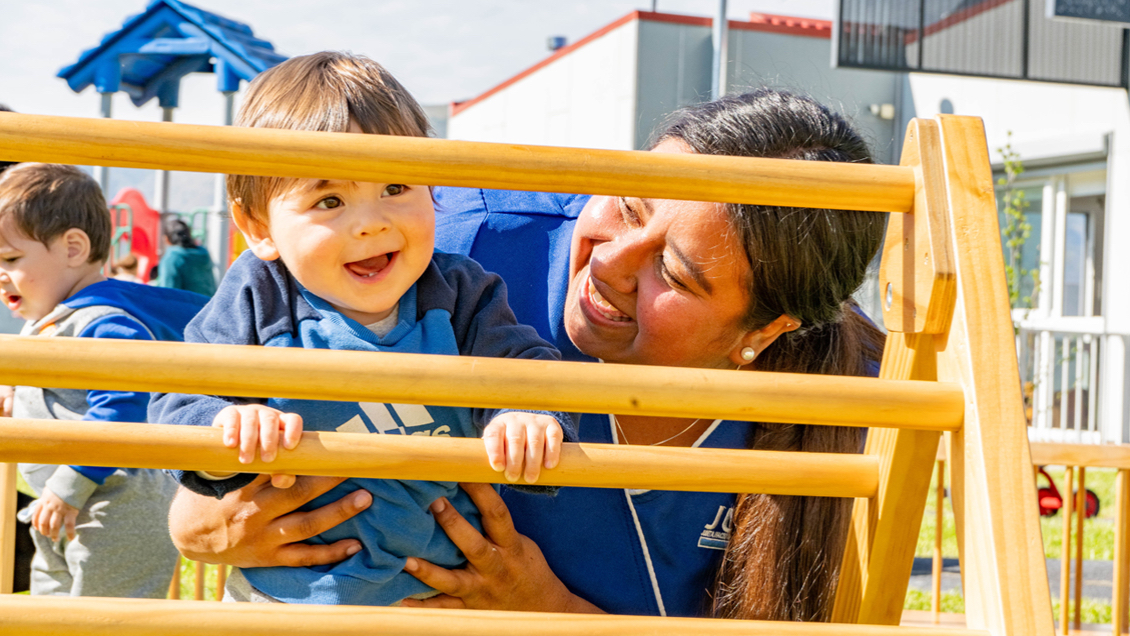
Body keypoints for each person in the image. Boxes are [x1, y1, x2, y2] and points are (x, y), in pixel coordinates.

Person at [163, 89, 886, 621]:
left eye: (674, 273)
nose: (609, 260)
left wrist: (551, 611)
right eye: (629, 205)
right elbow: (232, 398)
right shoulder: (454, 254)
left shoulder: (842, 399)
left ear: (763, 330)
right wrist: (202, 519)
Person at [148, 52, 576, 608]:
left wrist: (526, 414)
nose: (372, 221)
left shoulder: (460, 291)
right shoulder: (259, 295)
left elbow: (523, 363)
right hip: (286, 602)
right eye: (329, 199)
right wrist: (226, 423)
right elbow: (179, 396)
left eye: (396, 186)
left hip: (435, 598)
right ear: (258, 227)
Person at [0, 162, 209, 598]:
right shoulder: (46, 320)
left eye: (11, 259)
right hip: (61, 503)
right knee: (51, 611)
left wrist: (68, 487)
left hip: (117, 504)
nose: (1, 274)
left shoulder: (105, 322)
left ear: (73, 248)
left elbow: (120, 406)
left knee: (107, 614)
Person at [154, 217, 216, 296]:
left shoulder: (172, 259)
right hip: (210, 306)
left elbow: (168, 296)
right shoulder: (204, 255)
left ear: (166, 239)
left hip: (187, 307)